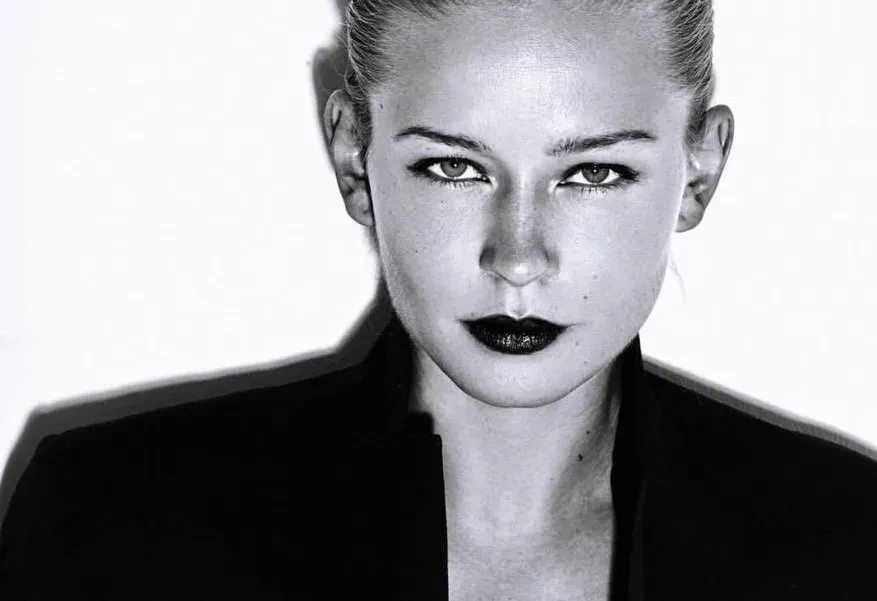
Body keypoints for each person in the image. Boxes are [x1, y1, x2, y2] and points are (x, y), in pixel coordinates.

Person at [1, 0, 876, 599]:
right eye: (453, 166)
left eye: (593, 172)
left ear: (700, 171)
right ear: (354, 159)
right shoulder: (105, 525)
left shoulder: (848, 546)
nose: (517, 257)